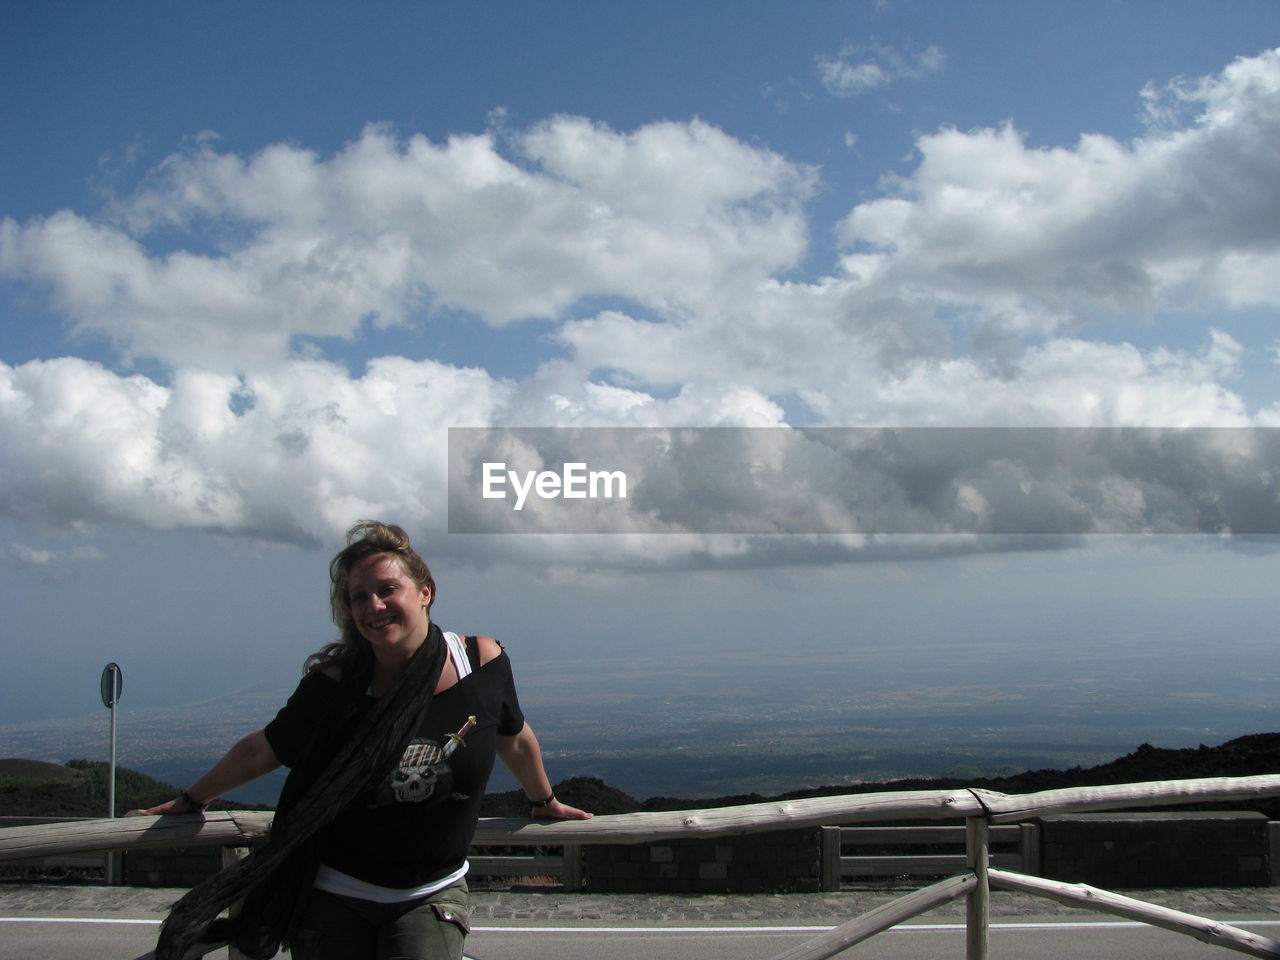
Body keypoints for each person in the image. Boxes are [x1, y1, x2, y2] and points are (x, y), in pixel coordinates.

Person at [138, 520, 590, 960]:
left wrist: (543, 799)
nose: (373, 606)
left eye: (387, 589)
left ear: (425, 592)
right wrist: (193, 798)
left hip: (429, 892)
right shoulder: (335, 686)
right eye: (359, 597)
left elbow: (513, 736)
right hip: (333, 891)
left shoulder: (481, 661)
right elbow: (265, 748)